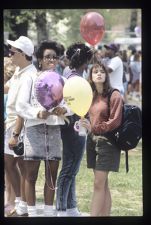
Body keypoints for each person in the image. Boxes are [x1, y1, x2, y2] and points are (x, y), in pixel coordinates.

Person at [15, 40, 70, 217]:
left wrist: (65, 110)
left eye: (54, 57)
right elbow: (20, 106)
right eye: (47, 57)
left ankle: (48, 213)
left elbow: (70, 104)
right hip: (34, 130)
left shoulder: (62, 79)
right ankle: (31, 213)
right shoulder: (31, 78)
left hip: (54, 130)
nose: (51, 60)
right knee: (31, 175)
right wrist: (37, 113)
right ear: (40, 59)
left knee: (52, 175)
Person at [80, 63, 123, 216]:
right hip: (92, 141)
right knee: (103, 184)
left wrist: (95, 128)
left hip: (108, 143)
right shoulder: (90, 95)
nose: (99, 74)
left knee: (98, 183)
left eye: (102, 71)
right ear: (91, 76)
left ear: (106, 75)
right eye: (95, 71)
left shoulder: (114, 94)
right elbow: (87, 116)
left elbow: (115, 121)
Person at [55, 42, 93, 217]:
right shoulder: (75, 77)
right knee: (70, 167)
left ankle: (71, 207)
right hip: (74, 124)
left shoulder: (68, 73)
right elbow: (69, 103)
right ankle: (61, 209)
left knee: (72, 168)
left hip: (73, 123)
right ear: (85, 61)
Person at [4, 36, 37, 217]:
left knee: (23, 167)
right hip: (11, 124)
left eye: (13, 52)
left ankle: (23, 207)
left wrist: (16, 134)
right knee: (9, 164)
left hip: (21, 126)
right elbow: (6, 88)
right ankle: (19, 202)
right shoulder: (19, 71)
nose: (10, 55)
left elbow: (23, 109)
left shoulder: (30, 76)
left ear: (24, 54)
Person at [4, 56, 16, 216]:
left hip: (9, 130)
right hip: (9, 129)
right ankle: (10, 200)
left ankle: (11, 201)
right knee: (10, 168)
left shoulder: (8, 89)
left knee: (10, 168)